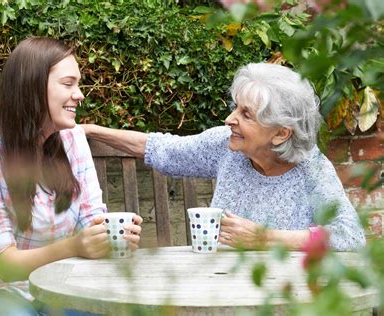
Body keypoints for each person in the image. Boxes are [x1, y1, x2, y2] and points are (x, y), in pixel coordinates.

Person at [0, 37, 143, 316]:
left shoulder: (72, 140)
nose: (80, 94)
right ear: (33, 88)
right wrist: (75, 246)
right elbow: (3, 264)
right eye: (68, 84)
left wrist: (111, 237)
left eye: (78, 84)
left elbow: (91, 219)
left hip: (60, 286)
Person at [83, 62, 366, 251]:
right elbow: (162, 149)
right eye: (235, 108)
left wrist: (265, 238)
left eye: (245, 114)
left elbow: (351, 236)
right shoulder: (226, 146)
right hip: (218, 288)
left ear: (281, 133)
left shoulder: (311, 169)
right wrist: (91, 131)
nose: (230, 119)